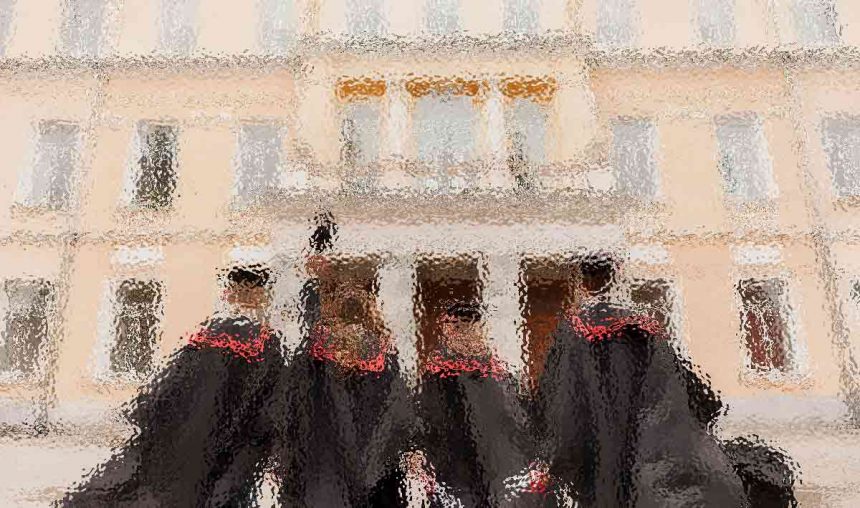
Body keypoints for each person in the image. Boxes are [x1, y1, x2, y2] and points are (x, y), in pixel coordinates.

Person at [535, 254, 750, 507]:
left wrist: (554, 463)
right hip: (652, 465)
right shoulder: (645, 331)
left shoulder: (572, 335)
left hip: (602, 469)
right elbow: (703, 400)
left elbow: (563, 409)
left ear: (581, 283)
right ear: (615, 277)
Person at [60, 265, 283, 507]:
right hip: (229, 445)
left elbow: (165, 391)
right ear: (261, 297)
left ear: (229, 294)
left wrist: (150, 421)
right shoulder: (265, 342)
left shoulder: (207, 335)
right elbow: (269, 406)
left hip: (184, 438)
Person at [269, 215, 417, 507]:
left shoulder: (378, 359)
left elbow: (400, 420)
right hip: (337, 475)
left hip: (343, 477)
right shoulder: (315, 358)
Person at [416, 301, 539, 507]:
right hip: (454, 473)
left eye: (471, 327)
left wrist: (534, 458)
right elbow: (425, 422)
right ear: (447, 333)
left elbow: (520, 420)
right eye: (457, 328)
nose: (465, 335)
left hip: (500, 471)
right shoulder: (435, 377)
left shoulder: (501, 374)